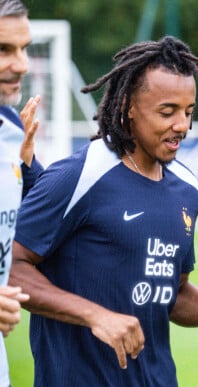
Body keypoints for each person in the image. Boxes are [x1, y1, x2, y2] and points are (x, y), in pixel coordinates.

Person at [9, 36, 198, 386]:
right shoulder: (78, 176)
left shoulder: (188, 190)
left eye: (189, 112)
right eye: (167, 111)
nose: (182, 126)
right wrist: (96, 316)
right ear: (128, 105)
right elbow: (11, 265)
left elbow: (172, 296)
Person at [0, 1, 43, 386]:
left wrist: (28, 164)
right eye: (3, 50)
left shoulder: (11, 129)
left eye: (24, 48)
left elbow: (44, 214)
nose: (22, 65)